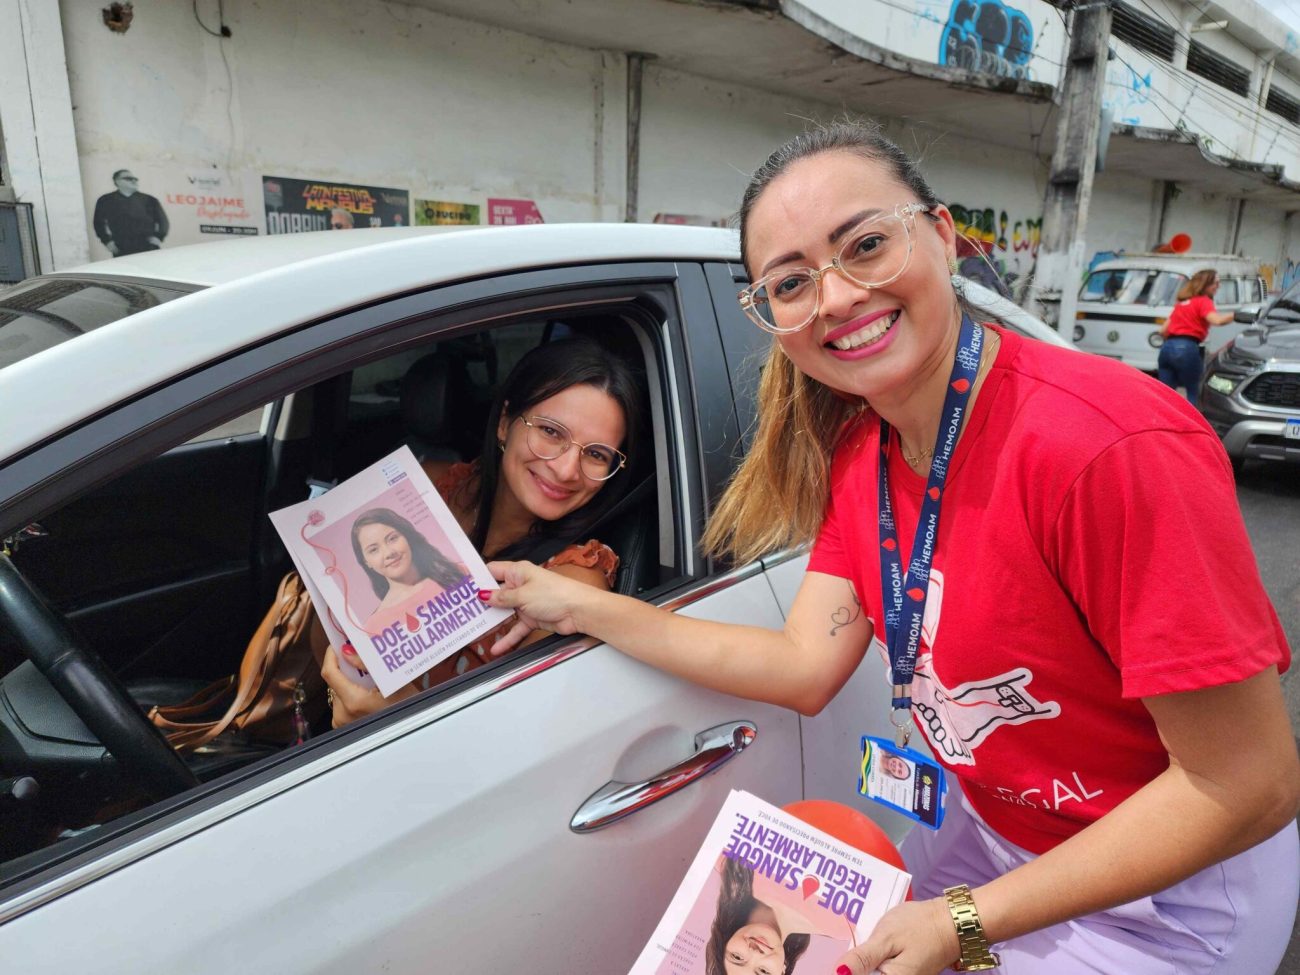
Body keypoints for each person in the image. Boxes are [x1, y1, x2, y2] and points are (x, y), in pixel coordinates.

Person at [484, 121, 1300, 974]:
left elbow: (1244, 783)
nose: (834, 298)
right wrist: (581, 603)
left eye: (865, 244)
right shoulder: (862, 458)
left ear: (942, 237)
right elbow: (803, 664)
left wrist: (963, 921)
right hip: (991, 840)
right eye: (791, 282)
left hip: (1165, 899)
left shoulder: (1105, 446)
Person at [321, 335, 641, 726]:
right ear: (505, 424)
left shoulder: (574, 584)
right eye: (552, 432)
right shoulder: (422, 493)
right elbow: (324, 637)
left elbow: (521, 737)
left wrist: (396, 721)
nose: (566, 470)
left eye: (596, 454)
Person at [349, 508, 467, 634]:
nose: (389, 553)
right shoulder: (372, 627)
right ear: (366, 562)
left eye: (392, 538)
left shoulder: (457, 572)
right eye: (373, 550)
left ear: (407, 537)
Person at [704, 857, 811, 975]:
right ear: (782, 970)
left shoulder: (727, 860)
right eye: (763, 971)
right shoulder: (833, 925)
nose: (755, 953)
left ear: (725, 942)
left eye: (737, 957)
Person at [1157, 268, 1235, 408]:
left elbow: (1163, 330)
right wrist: (1236, 315)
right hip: (1187, 347)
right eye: (1215, 283)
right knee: (1195, 393)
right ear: (1204, 284)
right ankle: (1192, 426)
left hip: (1167, 349)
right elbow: (1216, 321)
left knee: (1165, 395)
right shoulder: (1203, 301)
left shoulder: (1182, 304)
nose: (1218, 286)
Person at [92, 169, 169, 256]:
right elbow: (98, 223)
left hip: (148, 247)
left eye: (135, 179)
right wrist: (107, 241)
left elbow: (163, 221)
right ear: (117, 181)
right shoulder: (105, 200)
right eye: (128, 178)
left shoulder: (149, 199)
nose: (133, 181)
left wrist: (159, 237)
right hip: (121, 248)